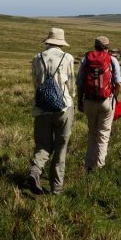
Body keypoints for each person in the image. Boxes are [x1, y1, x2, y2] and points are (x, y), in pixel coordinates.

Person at [28, 27, 76, 195]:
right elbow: (71, 84)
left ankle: (36, 170)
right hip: (63, 107)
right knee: (61, 147)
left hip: (41, 109)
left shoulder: (37, 58)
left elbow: (35, 83)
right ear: (61, 42)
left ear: (48, 41)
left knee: (43, 144)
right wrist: (71, 99)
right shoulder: (67, 58)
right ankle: (56, 188)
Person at [76, 36, 121, 171]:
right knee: (103, 134)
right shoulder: (112, 60)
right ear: (107, 46)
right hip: (106, 101)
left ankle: (89, 165)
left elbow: (79, 83)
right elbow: (118, 83)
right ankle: (100, 166)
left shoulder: (86, 59)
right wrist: (114, 98)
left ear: (95, 45)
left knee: (92, 133)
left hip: (89, 100)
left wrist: (80, 100)